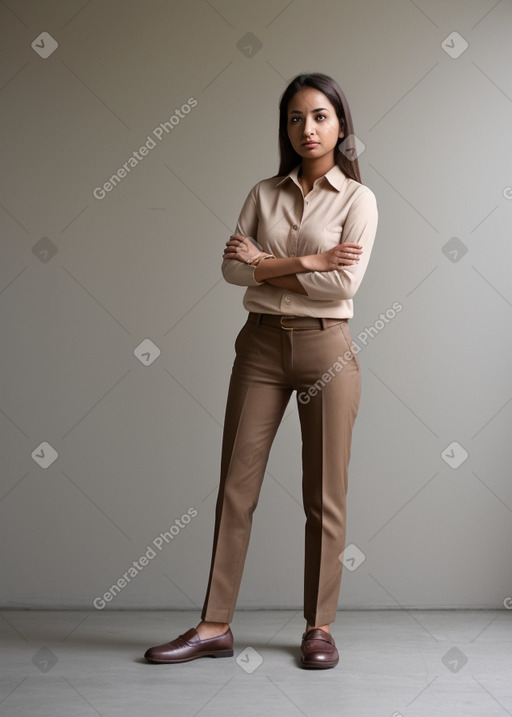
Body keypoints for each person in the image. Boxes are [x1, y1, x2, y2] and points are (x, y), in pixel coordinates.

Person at [144, 72, 378, 669]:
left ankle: (319, 628)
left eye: (320, 116)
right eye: (296, 118)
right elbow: (231, 272)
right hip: (260, 347)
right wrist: (308, 259)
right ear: (286, 127)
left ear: (341, 125)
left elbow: (342, 284)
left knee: (324, 495)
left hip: (328, 349)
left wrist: (269, 263)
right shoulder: (263, 192)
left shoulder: (358, 200)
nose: (308, 128)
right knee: (235, 489)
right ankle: (213, 626)